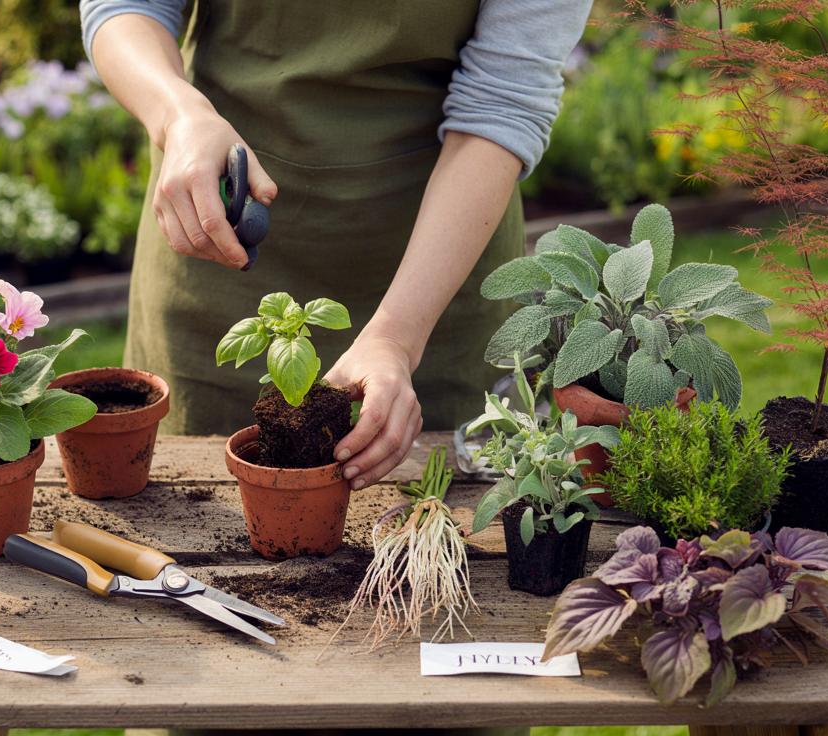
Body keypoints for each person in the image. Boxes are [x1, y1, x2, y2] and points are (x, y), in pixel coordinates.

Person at [81, 0, 592, 490]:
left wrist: (396, 338)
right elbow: (130, 5)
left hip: (435, 271)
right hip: (218, 234)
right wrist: (179, 114)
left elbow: (502, 102)